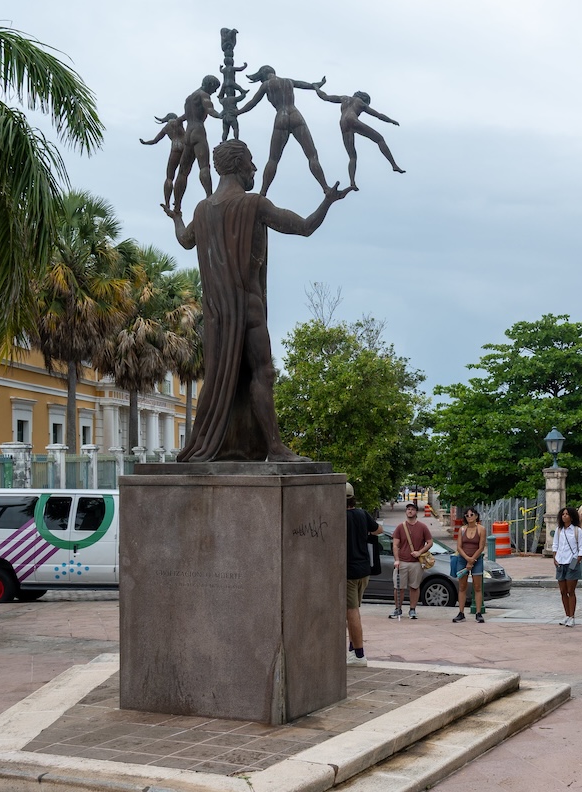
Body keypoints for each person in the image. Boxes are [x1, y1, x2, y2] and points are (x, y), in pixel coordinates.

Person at [165, 140, 350, 462]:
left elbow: (184, 240)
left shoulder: (202, 209)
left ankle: (227, 443)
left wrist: (176, 217)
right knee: (262, 374)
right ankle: (275, 448)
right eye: (251, 162)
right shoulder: (255, 204)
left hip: (217, 316)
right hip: (247, 309)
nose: (254, 169)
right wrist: (328, 201)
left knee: (220, 377)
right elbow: (304, 227)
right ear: (237, 165)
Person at [237, 65, 331, 195]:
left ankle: (263, 192)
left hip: (281, 116)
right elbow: (307, 85)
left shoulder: (266, 85)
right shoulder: (288, 81)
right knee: (312, 155)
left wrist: (237, 112)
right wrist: (317, 85)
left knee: (273, 159)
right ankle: (325, 187)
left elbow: (252, 103)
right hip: (295, 115)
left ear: (263, 75)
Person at [314, 88, 405, 190]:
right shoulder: (360, 102)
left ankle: (352, 182)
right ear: (364, 99)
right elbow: (378, 115)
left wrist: (316, 87)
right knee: (380, 139)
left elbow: (325, 97)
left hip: (343, 124)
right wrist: (391, 120)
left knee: (352, 157)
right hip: (352, 120)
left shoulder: (344, 98)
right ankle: (394, 165)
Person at [345, 483, 382, 666]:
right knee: (354, 610)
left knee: (351, 612)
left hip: (349, 571)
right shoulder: (362, 514)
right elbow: (378, 530)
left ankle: (359, 654)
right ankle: (352, 650)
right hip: (364, 569)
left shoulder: (339, 517)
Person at [171, 75, 220, 211]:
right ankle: (210, 197)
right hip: (198, 131)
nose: (215, 92)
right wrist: (222, 115)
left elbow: (185, 116)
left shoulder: (189, 98)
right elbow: (210, 110)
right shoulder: (204, 95)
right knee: (204, 167)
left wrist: (179, 120)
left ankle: (177, 204)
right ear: (209, 84)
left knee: (183, 171)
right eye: (214, 88)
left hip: (188, 133)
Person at [390, 502, 432, 620]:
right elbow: (395, 545)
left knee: (414, 586)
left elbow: (430, 542)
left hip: (416, 563)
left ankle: (412, 609)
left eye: (412, 509)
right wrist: (397, 560)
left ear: (416, 512)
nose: (410, 511)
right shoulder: (400, 527)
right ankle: (398, 608)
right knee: (399, 587)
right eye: (408, 509)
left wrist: (420, 552)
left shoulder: (422, 527)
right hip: (402, 562)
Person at [140, 113, 187, 209]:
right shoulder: (178, 122)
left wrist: (145, 142)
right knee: (182, 174)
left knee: (169, 177)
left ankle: (167, 202)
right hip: (184, 147)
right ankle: (177, 201)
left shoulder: (166, 128)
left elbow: (155, 140)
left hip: (174, 148)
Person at [452, 507, 486, 624]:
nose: (469, 517)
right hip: (463, 559)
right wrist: (467, 559)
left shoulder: (481, 529)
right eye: (467, 515)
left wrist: (472, 560)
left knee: (477, 586)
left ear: (476, 516)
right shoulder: (462, 529)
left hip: (476, 559)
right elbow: (459, 547)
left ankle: (478, 612)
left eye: (472, 515)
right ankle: (461, 612)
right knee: (462, 586)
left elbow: (481, 547)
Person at [552, 507, 582, 627]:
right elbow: (555, 544)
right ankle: (566, 615)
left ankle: (572, 616)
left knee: (571, 591)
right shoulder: (559, 530)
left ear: (572, 516)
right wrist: (554, 558)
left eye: (567, 514)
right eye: (563, 514)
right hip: (560, 561)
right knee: (563, 591)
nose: (564, 516)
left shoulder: (577, 530)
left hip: (572, 561)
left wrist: (577, 560)